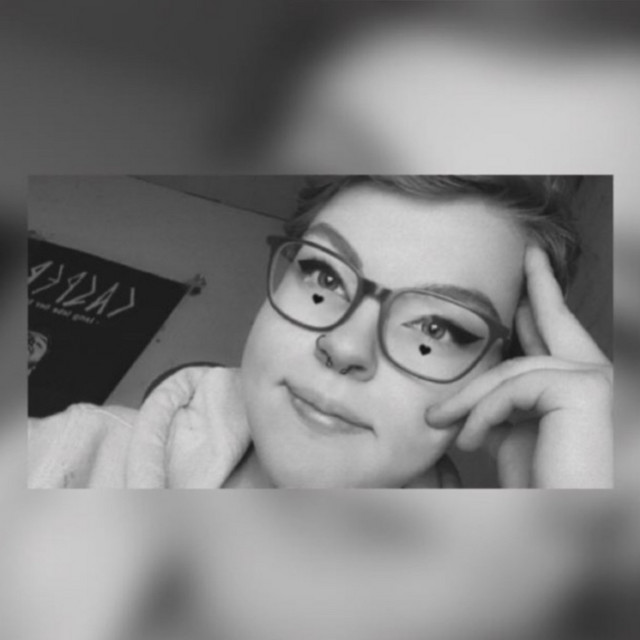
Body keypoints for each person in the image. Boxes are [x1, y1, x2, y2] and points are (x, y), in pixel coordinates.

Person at [28, 175, 612, 488]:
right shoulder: (61, 461)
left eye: (436, 327)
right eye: (324, 276)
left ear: (502, 380)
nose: (344, 346)